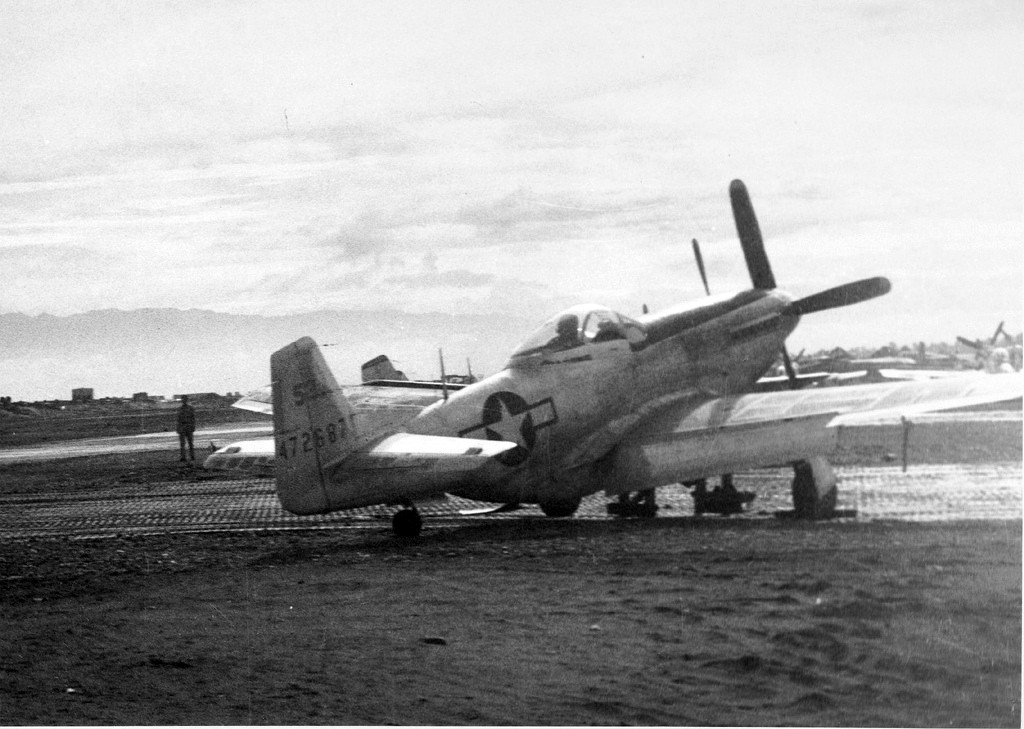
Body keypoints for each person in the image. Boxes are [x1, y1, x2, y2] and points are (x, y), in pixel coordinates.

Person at [176, 395, 196, 462]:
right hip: (182, 426)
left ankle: (192, 456)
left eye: (185, 399)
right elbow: (178, 419)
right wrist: (178, 427)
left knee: (190, 442)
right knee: (182, 443)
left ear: (187, 400)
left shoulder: (190, 408)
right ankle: (183, 457)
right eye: (183, 399)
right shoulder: (180, 409)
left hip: (189, 426)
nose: (184, 400)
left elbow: (193, 418)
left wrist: (193, 426)